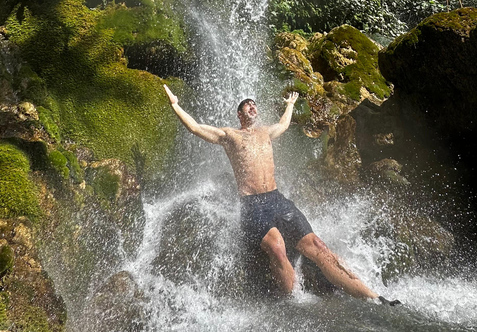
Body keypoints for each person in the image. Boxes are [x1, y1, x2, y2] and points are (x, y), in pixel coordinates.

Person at [163, 84, 400, 305]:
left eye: (254, 103)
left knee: (318, 245)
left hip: (277, 200)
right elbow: (195, 127)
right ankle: (294, 305)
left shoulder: (265, 132)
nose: (252, 106)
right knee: (277, 247)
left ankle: (374, 297)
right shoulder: (230, 136)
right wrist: (175, 105)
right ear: (239, 114)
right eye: (247, 104)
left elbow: (284, 125)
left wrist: (289, 105)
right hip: (252, 205)